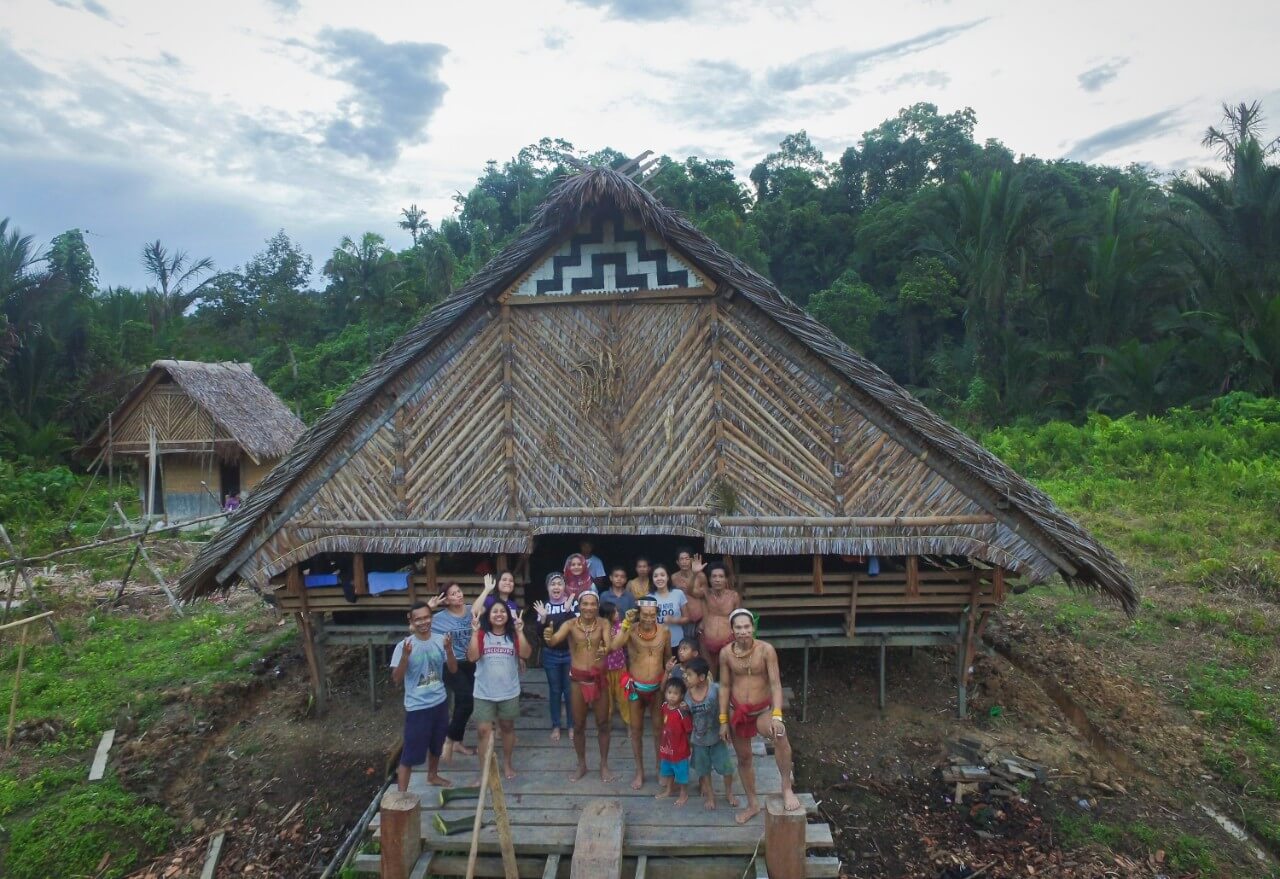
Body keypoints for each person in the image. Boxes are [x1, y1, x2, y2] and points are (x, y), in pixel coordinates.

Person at [718, 608, 801, 823]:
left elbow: (775, 684)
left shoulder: (766, 650)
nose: (743, 631)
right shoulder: (726, 653)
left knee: (780, 736)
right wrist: (723, 720)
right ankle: (753, 803)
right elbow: (725, 686)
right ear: (732, 630)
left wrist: (777, 715)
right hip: (738, 711)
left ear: (753, 628)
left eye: (747, 627)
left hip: (763, 710)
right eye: (738, 627)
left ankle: (786, 787)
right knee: (744, 758)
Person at [545, 591, 616, 782]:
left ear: (598, 605)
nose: (589, 608)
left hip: (598, 679)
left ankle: (604, 764)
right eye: (585, 604)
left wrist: (605, 648)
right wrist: (548, 636)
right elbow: (553, 641)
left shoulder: (603, 623)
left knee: (603, 724)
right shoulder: (570, 624)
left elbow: (609, 644)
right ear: (579, 605)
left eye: (593, 604)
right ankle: (582, 764)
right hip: (577, 681)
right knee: (578, 726)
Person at [391, 601, 458, 791]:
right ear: (411, 620)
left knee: (437, 743)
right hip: (417, 707)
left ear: (432, 618)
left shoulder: (440, 640)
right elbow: (396, 678)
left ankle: (433, 775)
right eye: (418, 619)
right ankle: (401, 795)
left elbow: (453, 669)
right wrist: (405, 656)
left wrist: (449, 649)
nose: (423, 622)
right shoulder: (403, 645)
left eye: (427, 617)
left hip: (440, 702)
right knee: (410, 753)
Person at [609, 595, 670, 789]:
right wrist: (626, 623)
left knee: (659, 730)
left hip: (657, 689)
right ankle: (639, 771)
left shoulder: (665, 632)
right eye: (645, 615)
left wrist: (668, 674)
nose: (649, 618)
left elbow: (667, 658)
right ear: (638, 613)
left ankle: (661, 768)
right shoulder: (630, 630)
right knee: (636, 731)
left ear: (657, 614)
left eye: (652, 615)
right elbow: (615, 646)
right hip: (635, 687)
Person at [467, 600, 530, 780]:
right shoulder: (481, 634)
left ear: (508, 615)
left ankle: (507, 763)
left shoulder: (513, 634)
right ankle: (484, 772)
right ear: (489, 615)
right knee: (483, 731)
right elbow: (472, 657)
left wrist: (520, 631)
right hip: (483, 691)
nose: (499, 614)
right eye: (495, 611)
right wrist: (474, 633)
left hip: (509, 691)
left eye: (503, 611)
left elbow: (525, 654)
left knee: (507, 727)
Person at [684, 657, 737, 811]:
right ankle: (710, 796)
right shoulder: (687, 695)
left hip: (717, 739)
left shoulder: (715, 690)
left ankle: (729, 793)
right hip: (699, 741)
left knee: (727, 769)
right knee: (704, 770)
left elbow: (727, 708)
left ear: (701, 678)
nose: (686, 677)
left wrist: (726, 727)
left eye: (689, 674)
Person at [432, 583, 477, 761]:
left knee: (466, 702)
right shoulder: (439, 618)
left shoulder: (470, 610)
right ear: (446, 599)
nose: (458, 595)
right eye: (453, 594)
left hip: (470, 662)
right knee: (466, 699)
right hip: (450, 663)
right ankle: (449, 739)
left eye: (459, 591)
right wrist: (430, 606)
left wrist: (488, 590)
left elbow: (484, 606)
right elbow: (414, 624)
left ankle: (457, 741)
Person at [532, 573, 575, 742]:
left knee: (570, 692)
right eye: (553, 584)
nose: (556, 587)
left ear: (564, 587)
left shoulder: (572, 604)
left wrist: (568, 610)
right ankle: (556, 725)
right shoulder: (543, 606)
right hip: (550, 655)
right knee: (555, 691)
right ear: (547, 588)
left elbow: (575, 628)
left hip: (569, 653)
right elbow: (538, 634)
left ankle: (571, 725)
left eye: (559, 583)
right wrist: (542, 618)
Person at [698, 561, 742, 677]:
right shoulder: (705, 593)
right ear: (709, 579)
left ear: (726, 579)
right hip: (706, 639)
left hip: (728, 640)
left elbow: (738, 618)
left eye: (721, 576)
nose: (717, 580)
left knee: (728, 672)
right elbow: (691, 590)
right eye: (714, 576)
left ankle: (726, 694)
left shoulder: (734, 596)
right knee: (709, 673)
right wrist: (695, 573)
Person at [656, 677, 693, 806]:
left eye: (675, 693)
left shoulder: (682, 712)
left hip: (680, 749)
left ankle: (684, 793)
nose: (671, 696)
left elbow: (688, 730)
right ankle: (669, 789)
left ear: (682, 695)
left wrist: (689, 747)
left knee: (681, 773)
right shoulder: (664, 706)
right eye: (669, 692)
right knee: (668, 770)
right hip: (667, 746)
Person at [599, 601, 631, 730]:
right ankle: (607, 723)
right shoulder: (599, 628)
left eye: (617, 611)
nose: (618, 613)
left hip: (620, 667)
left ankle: (629, 724)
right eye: (615, 612)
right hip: (604, 670)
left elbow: (624, 642)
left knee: (624, 698)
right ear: (607, 615)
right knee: (607, 700)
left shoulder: (621, 626)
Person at [672, 548, 707, 647]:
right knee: (684, 648)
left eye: (687, 559)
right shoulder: (674, 578)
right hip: (682, 621)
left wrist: (705, 620)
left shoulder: (701, 576)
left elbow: (705, 599)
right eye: (681, 559)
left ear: (691, 560)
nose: (684, 562)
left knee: (701, 648)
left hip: (700, 620)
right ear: (677, 562)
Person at [651, 564, 688, 650]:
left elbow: (687, 618)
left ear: (668, 577)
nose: (659, 578)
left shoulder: (678, 593)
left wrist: (674, 620)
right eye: (655, 576)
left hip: (678, 642)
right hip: (657, 643)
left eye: (662, 575)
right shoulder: (649, 598)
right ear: (652, 579)